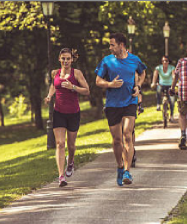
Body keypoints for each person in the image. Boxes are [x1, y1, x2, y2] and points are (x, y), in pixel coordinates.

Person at [95, 33, 146, 186]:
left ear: (121, 45)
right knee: (117, 140)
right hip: (112, 105)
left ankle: (127, 171)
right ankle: (119, 166)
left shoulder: (134, 60)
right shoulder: (107, 61)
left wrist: (138, 86)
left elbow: (142, 73)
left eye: (112, 45)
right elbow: (98, 81)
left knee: (127, 135)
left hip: (130, 101)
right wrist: (110, 84)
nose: (110, 48)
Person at [44, 48, 90, 187]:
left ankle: (70, 162)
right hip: (59, 112)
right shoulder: (55, 73)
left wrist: (72, 87)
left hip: (73, 113)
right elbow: (54, 86)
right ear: (59, 59)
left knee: (71, 145)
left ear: (72, 59)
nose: (65, 61)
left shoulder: (76, 73)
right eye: (63, 58)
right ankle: (61, 176)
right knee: (60, 144)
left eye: (68, 58)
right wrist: (49, 96)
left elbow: (87, 90)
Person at [151, 56, 176, 120]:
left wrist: (175, 82)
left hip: (170, 85)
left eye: (166, 61)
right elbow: (155, 76)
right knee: (158, 90)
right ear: (162, 62)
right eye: (163, 61)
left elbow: (174, 76)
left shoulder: (172, 68)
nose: (165, 62)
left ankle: (172, 115)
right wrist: (153, 83)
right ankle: (158, 104)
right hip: (161, 85)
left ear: (168, 61)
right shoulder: (158, 68)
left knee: (172, 101)